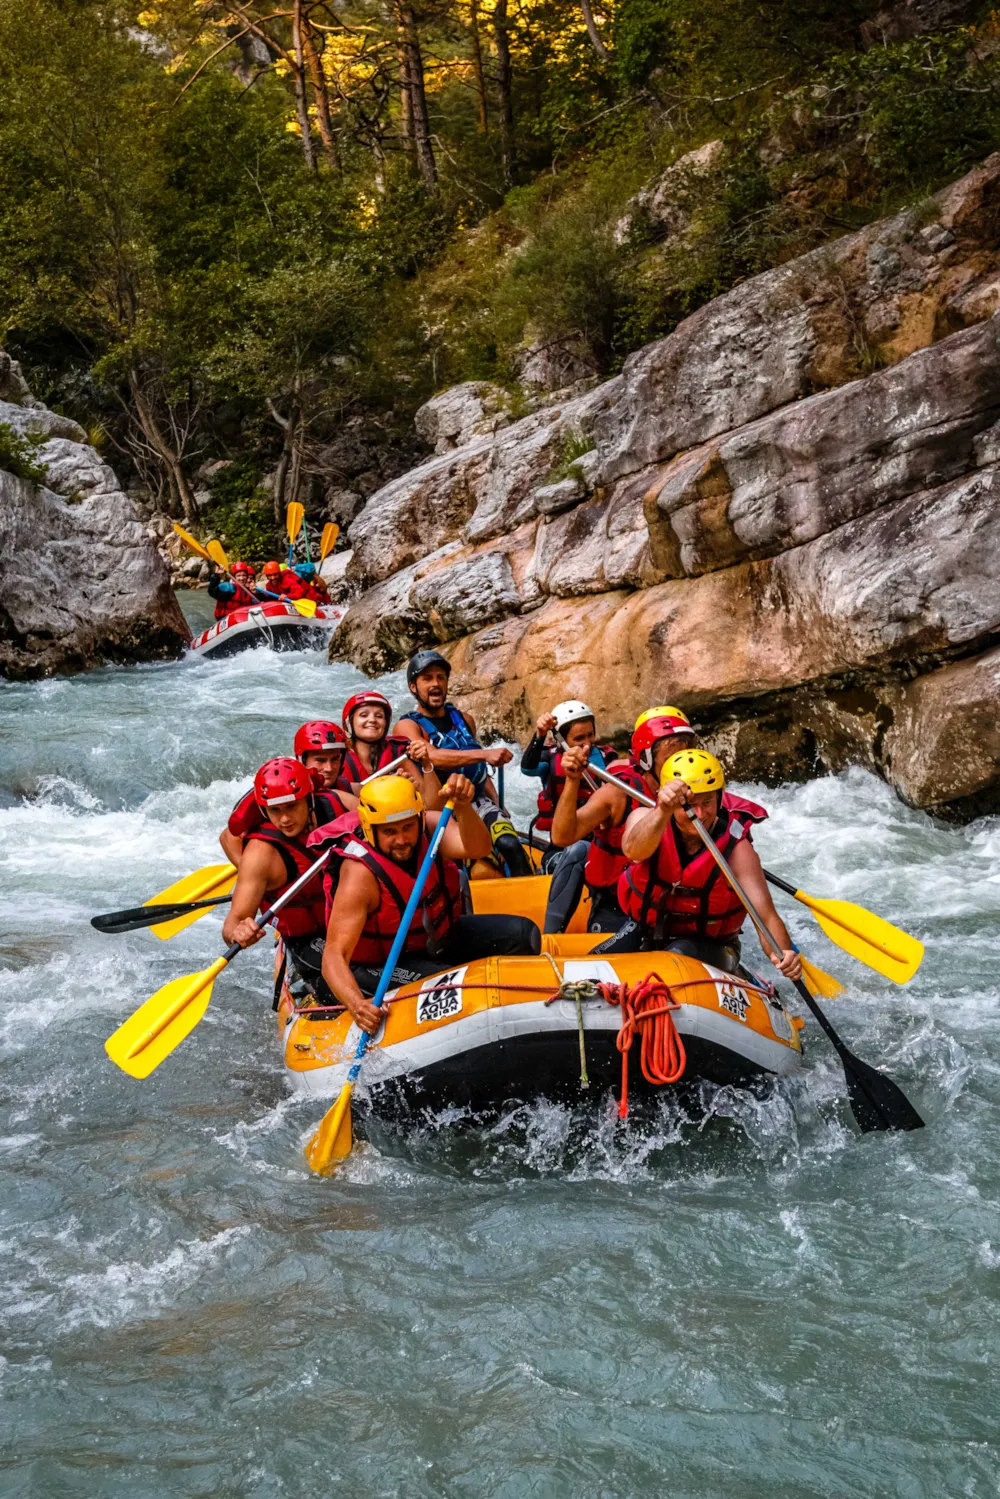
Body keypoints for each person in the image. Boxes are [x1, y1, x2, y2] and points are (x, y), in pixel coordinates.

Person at [317, 774, 541, 1034]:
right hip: (384, 963)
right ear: (370, 829)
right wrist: (357, 1005)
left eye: (407, 827)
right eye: (390, 832)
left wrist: (464, 806)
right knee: (452, 987)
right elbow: (333, 956)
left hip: (438, 939)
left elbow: (477, 849)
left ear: (419, 818)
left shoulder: (433, 827)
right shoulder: (360, 876)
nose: (402, 840)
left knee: (525, 935)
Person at [594, 748, 801, 981]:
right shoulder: (645, 817)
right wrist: (663, 810)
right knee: (594, 966)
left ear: (720, 798)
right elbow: (634, 852)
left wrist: (784, 953)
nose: (701, 814)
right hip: (647, 933)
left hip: (714, 947)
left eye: (708, 802)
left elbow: (766, 916)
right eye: (690, 804)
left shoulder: (737, 851)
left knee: (676, 958)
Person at [540, 704, 693, 933]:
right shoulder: (618, 793)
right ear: (647, 759)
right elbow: (562, 837)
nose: (680, 765)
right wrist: (572, 781)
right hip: (619, 908)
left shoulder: (702, 794)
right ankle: (551, 935)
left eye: (685, 755)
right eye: (671, 757)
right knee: (578, 850)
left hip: (674, 909)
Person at [395, 649, 529, 876]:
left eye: (440, 677)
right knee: (479, 866)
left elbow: (477, 771)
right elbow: (434, 757)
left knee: (510, 845)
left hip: (478, 801)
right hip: (445, 810)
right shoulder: (407, 726)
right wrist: (485, 754)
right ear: (413, 687)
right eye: (427, 678)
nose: (435, 684)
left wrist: (496, 800)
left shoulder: (465, 720)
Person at [222, 757, 332, 998]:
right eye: (275, 810)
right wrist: (237, 933)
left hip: (352, 921)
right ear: (263, 810)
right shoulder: (260, 855)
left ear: (308, 798)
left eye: (292, 806)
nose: (284, 819)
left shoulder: (335, 805)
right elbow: (233, 922)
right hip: (307, 938)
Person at [221, 721, 358, 869]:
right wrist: (250, 871)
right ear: (302, 760)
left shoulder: (347, 791)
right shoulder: (276, 790)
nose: (329, 768)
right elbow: (227, 837)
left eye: (335, 759)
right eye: (320, 760)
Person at [340, 690, 442, 806]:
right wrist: (389, 789)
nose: (372, 720)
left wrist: (426, 765)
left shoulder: (398, 755)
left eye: (379, 716)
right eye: (364, 715)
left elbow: (433, 807)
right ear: (349, 723)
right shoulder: (336, 758)